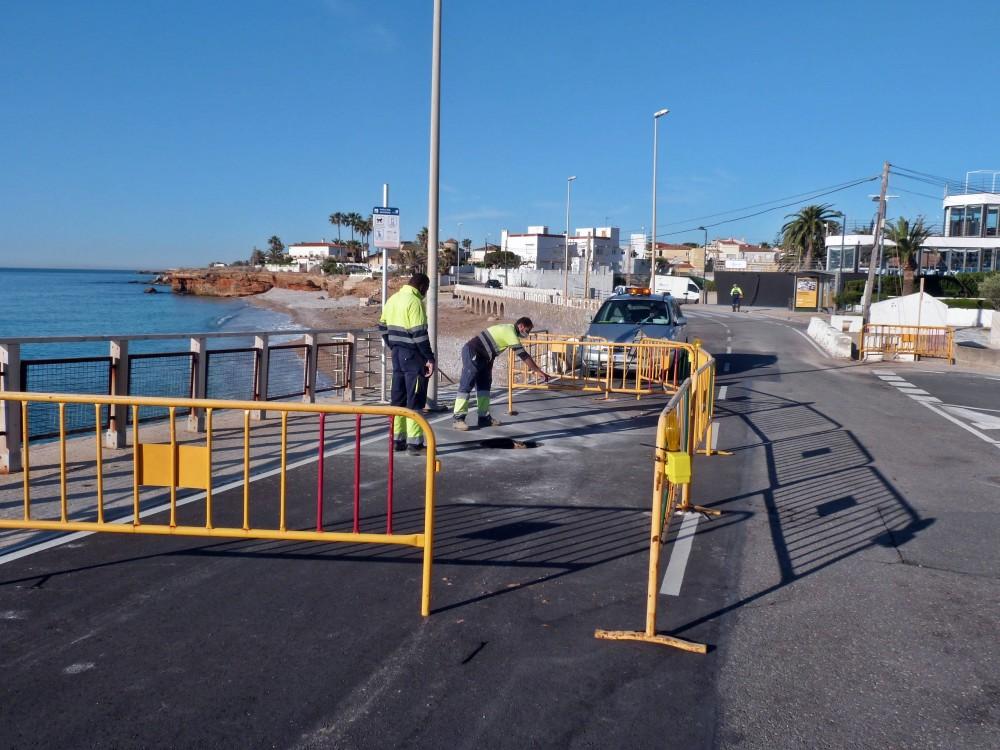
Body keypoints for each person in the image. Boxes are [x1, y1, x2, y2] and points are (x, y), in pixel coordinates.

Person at [452, 317, 549, 431]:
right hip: (473, 351)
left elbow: (492, 348)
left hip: (485, 357)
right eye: (527, 330)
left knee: (484, 386)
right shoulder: (510, 332)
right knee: (467, 383)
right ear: (521, 326)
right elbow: (523, 355)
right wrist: (538, 370)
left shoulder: (510, 330)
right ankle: (458, 419)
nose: (527, 334)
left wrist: (489, 366)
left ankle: (483, 418)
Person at [379, 273, 435, 455]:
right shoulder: (415, 302)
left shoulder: (393, 299)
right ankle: (415, 444)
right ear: (422, 287)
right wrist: (429, 358)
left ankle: (398, 440)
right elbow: (420, 335)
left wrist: (393, 344)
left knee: (398, 398)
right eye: (426, 289)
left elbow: (382, 326)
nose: (425, 293)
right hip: (413, 355)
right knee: (415, 398)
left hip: (397, 354)